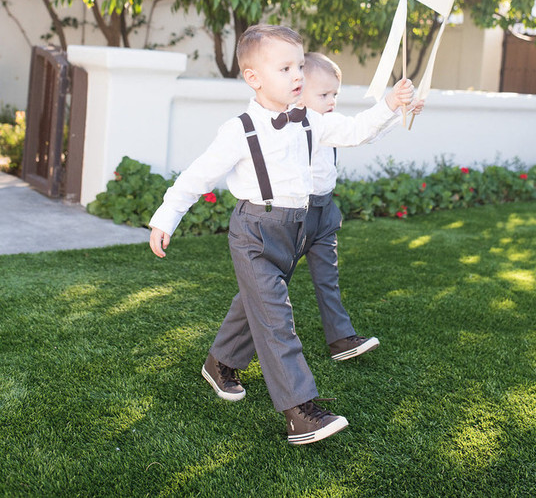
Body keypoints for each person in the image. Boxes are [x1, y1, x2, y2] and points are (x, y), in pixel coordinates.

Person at [149, 24, 415, 445]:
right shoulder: (239, 129)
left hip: (295, 229)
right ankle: (300, 412)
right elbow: (198, 175)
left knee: (255, 303)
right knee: (277, 319)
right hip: (255, 231)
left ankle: (219, 363)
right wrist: (166, 216)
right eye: (286, 67)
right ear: (253, 77)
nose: (298, 76)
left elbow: (354, 132)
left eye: (299, 65)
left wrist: (389, 104)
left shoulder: (308, 119)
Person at [299, 52, 423, 360]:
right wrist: (391, 103)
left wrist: (400, 113)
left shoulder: (328, 121)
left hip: (324, 212)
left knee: (328, 278)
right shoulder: (305, 122)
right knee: (267, 289)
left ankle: (341, 339)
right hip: (295, 215)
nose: (332, 101)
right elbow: (357, 130)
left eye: (335, 94)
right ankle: (228, 354)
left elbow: (364, 133)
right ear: (298, 90)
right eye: (324, 94)